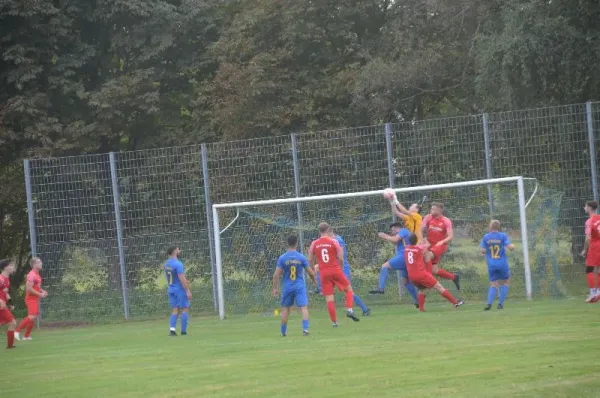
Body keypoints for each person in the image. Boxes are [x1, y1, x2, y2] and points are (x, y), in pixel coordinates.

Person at [308, 222, 360, 326]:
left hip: (323, 273)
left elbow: (310, 258)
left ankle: (334, 322)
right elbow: (341, 257)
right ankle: (349, 310)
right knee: (348, 289)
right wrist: (340, 269)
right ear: (328, 230)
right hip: (335, 270)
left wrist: (313, 269)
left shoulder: (314, 243)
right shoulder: (334, 241)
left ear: (319, 231)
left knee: (329, 298)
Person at [404, 234, 464, 312]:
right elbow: (428, 245)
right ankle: (455, 303)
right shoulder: (419, 248)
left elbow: (408, 245)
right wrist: (425, 239)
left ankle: (421, 309)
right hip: (421, 274)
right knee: (439, 287)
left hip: (412, 276)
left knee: (422, 290)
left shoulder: (406, 249)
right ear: (416, 241)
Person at [272, 235, 316, 336]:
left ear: (287, 243)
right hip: (299, 286)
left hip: (287, 286)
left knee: (285, 309)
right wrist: (314, 281)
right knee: (303, 307)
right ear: (296, 243)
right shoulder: (301, 257)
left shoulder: (282, 258)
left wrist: (275, 288)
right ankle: (305, 330)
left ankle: (283, 333)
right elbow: (311, 272)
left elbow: (276, 275)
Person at [369, 223, 420, 308]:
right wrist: (388, 238)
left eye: (392, 230)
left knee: (385, 266)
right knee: (405, 281)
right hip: (407, 257)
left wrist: (385, 236)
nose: (392, 232)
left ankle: (380, 287)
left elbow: (395, 239)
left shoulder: (403, 230)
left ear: (397, 228)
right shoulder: (404, 234)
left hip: (404, 256)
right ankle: (417, 300)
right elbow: (395, 242)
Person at [421, 202, 460, 289]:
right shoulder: (428, 217)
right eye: (431, 209)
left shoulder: (446, 220)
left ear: (440, 210)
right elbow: (420, 229)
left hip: (439, 246)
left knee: (427, 257)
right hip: (429, 245)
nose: (431, 210)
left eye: (434, 209)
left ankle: (428, 282)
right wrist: (422, 240)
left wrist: (442, 242)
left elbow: (450, 236)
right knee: (434, 270)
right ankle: (454, 277)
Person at [480, 220, 515, 310]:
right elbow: (510, 247)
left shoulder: (486, 237)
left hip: (491, 264)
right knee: (505, 282)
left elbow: (482, 250)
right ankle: (500, 304)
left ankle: (489, 304)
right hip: (502, 264)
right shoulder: (502, 235)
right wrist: (513, 246)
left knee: (493, 284)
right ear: (498, 227)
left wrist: (486, 250)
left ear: (490, 227)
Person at [15, 257, 47, 341]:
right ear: (34, 265)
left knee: (33, 317)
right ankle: (16, 331)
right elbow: (29, 289)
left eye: (41, 262)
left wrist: (42, 291)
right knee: (32, 316)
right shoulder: (31, 275)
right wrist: (40, 294)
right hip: (30, 299)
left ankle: (26, 336)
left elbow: (36, 287)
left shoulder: (37, 274)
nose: (41, 263)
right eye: (39, 262)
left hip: (35, 299)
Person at [164, 246, 192, 336]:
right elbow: (181, 278)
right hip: (179, 289)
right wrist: (187, 290)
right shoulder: (178, 264)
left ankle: (172, 330)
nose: (180, 251)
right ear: (175, 251)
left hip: (171, 289)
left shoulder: (166, 264)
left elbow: (172, 277)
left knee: (175, 310)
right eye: (178, 249)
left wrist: (183, 280)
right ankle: (183, 332)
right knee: (185, 309)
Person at [581, 201, 600, 303]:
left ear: (589, 208)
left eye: (585, 206)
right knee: (597, 270)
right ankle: (598, 292)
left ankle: (593, 293)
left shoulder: (589, 221)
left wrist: (585, 249)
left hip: (595, 246)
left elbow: (588, 238)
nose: (584, 208)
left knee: (589, 269)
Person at [0, 259, 17, 349]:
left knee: (11, 323)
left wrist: (10, 303)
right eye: (11, 265)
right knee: (12, 322)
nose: (13, 267)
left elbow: (5, 293)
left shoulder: (6, 279)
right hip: (1, 305)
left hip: (2, 305)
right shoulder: (1, 279)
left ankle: (10, 345)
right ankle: (10, 346)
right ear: (6, 267)